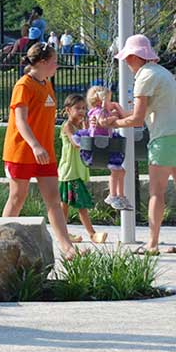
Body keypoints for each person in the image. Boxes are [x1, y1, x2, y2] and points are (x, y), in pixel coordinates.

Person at [103, 35, 176, 256]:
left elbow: (136, 120)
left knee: (157, 192)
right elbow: (144, 114)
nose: (126, 62)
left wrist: (113, 122)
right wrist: (120, 111)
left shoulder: (144, 77)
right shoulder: (161, 72)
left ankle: (152, 244)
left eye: (127, 57)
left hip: (165, 137)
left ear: (136, 56)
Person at [1, 42, 80, 259]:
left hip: (44, 152)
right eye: (54, 62)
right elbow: (21, 121)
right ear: (43, 62)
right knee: (17, 197)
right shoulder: (23, 85)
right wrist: (35, 145)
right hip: (21, 151)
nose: (57, 66)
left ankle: (67, 248)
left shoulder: (45, 83)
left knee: (53, 199)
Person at [59, 95, 107, 244]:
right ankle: (92, 234)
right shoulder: (67, 126)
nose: (81, 111)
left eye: (83, 108)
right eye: (77, 108)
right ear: (68, 110)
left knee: (65, 204)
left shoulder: (81, 126)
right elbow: (76, 142)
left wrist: (89, 128)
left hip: (77, 170)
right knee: (81, 203)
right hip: (70, 171)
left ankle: (63, 233)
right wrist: (87, 131)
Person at [84, 85, 133, 210]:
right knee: (116, 170)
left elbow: (125, 116)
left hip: (106, 145)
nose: (111, 103)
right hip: (99, 146)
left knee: (120, 171)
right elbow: (103, 122)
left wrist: (117, 108)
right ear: (101, 101)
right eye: (109, 100)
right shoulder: (98, 112)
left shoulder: (105, 111)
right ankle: (113, 195)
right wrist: (114, 117)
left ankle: (121, 196)